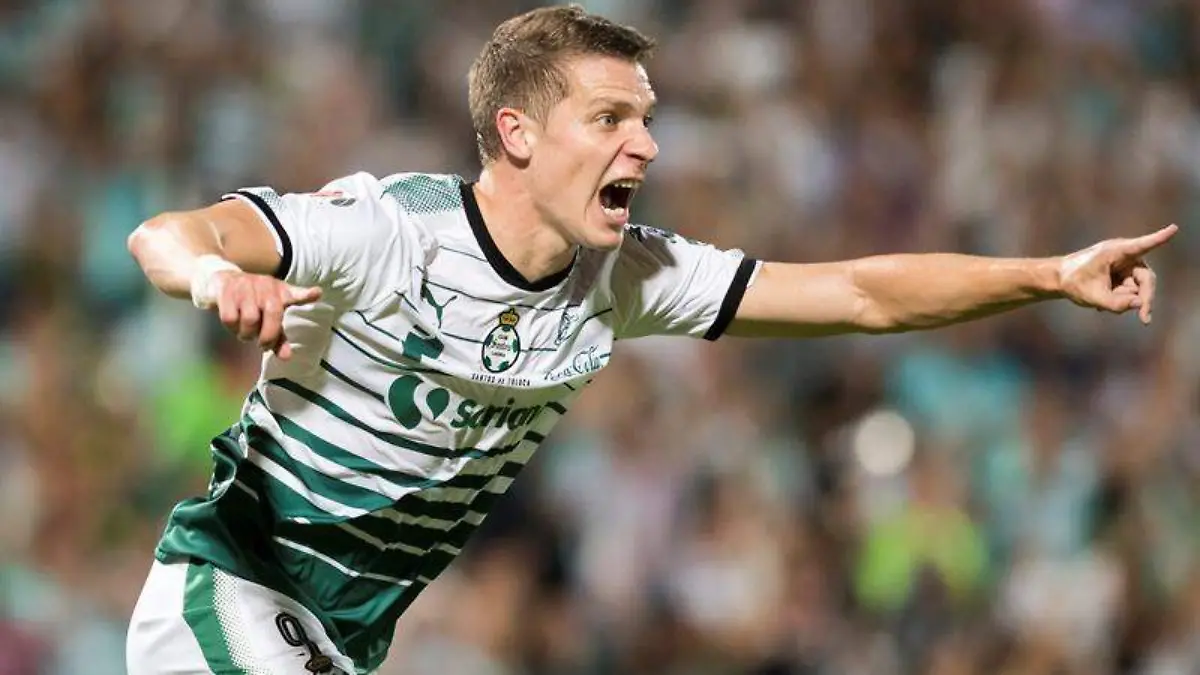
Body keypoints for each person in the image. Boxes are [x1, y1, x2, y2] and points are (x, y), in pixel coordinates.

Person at [123, 5, 1176, 674]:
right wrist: (218, 276)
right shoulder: (387, 232)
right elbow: (166, 233)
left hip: (338, 639)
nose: (647, 145)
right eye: (610, 119)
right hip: (232, 588)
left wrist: (1049, 274)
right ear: (517, 134)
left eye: (648, 119)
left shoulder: (625, 278)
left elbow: (860, 294)